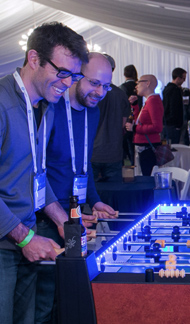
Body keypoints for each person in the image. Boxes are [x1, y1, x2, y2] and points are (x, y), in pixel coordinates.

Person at [0, 21, 92, 324]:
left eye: (74, 76)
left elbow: (37, 176)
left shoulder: (46, 106)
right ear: (34, 59)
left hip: (26, 238)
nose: (68, 83)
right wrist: (25, 238)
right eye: (62, 72)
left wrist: (62, 221)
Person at [35, 52, 117, 323]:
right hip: (46, 217)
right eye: (94, 83)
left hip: (75, 214)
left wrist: (93, 200)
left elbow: (84, 163)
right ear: (76, 76)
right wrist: (57, 216)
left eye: (106, 86)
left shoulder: (92, 112)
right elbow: (37, 171)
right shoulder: (51, 108)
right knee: (46, 298)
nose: (100, 92)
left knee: (71, 295)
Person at [91, 54, 130, 182]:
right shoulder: (121, 94)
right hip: (114, 152)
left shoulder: (89, 93)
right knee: (113, 195)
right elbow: (122, 124)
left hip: (92, 152)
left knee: (90, 197)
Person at [126, 74, 164, 176]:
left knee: (146, 177)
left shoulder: (153, 101)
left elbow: (157, 127)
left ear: (147, 83)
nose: (136, 86)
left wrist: (135, 128)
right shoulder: (149, 101)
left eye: (138, 82)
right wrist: (135, 105)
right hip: (143, 146)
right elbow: (141, 120)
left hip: (147, 147)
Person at [119, 64, 143, 165]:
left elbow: (121, 106)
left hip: (127, 119)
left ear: (124, 74)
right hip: (139, 117)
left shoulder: (122, 88)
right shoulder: (140, 87)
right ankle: (136, 163)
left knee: (127, 145)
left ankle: (130, 165)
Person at [162, 67, 187, 144]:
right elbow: (174, 108)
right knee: (173, 147)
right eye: (183, 78)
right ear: (178, 78)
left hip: (168, 123)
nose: (184, 81)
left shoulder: (168, 88)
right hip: (172, 125)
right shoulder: (174, 90)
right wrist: (177, 124)